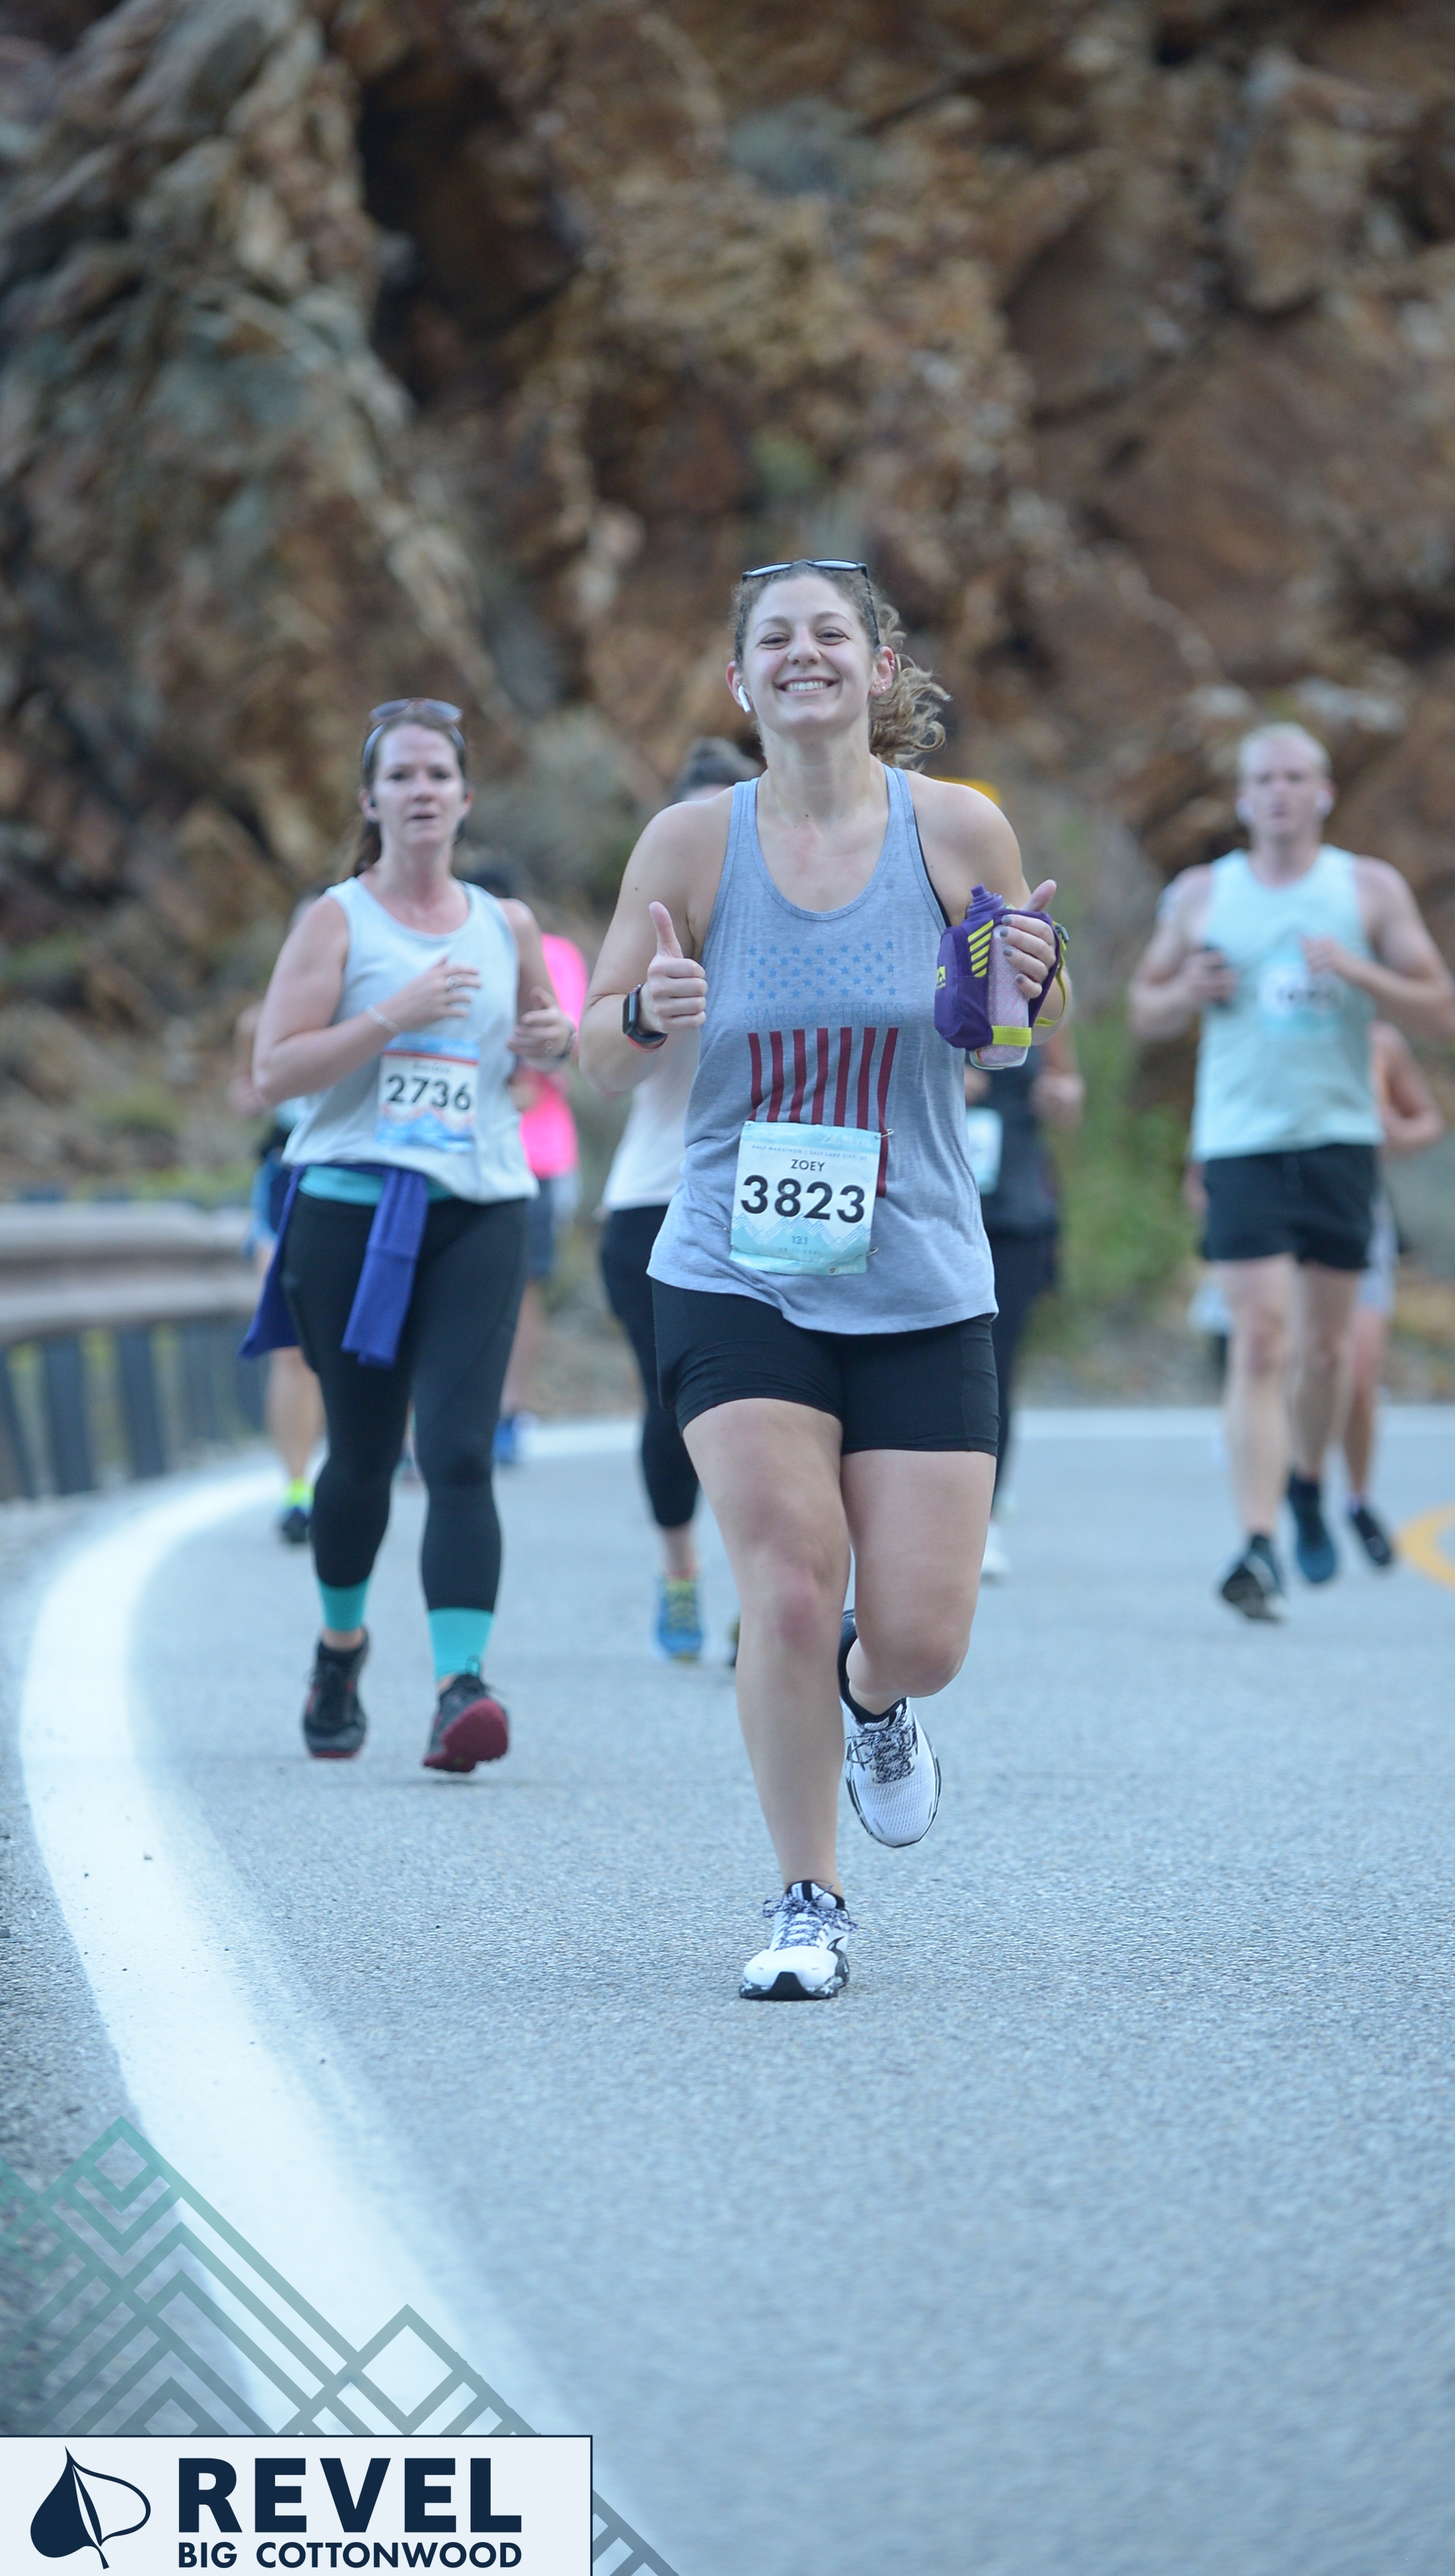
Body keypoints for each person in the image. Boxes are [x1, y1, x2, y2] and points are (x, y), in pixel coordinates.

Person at [580, 560, 1067, 2000]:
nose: (804, 655)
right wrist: (646, 1011)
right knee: (789, 1589)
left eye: (829, 634)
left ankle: (875, 1699)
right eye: (775, 639)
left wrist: (1022, 981)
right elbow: (597, 1056)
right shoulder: (690, 843)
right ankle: (808, 1898)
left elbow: (1004, 1040)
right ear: (741, 680)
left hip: (917, 1265)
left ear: (877, 665)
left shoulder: (954, 825)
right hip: (735, 1265)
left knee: (920, 1634)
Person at [243, 699, 575, 1766]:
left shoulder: (505, 923)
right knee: (362, 1457)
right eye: (401, 775)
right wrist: (396, 1012)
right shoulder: (336, 922)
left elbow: (539, 1049)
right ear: (371, 800)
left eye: (438, 774)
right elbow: (273, 1072)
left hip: (479, 1207)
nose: (421, 790)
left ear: (465, 798)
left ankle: (458, 1688)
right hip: (348, 1211)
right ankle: (340, 1650)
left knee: (458, 1452)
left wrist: (552, 1038)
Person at [1127, 721, 1455, 1621]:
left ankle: (1309, 1482)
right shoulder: (1202, 894)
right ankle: (1257, 1540)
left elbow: (1440, 1011)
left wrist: (1357, 971)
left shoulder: (1366, 888)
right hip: (1238, 1142)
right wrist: (1184, 992)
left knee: (1322, 1352)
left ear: (1322, 793)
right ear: (1242, 799)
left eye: (1294, 777)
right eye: (1263, 779)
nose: (1278, 792)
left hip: (1339, 1141)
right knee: (1259, 1341)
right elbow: (1143, 1008)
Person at [595, 736, 761, 1661]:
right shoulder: (650, 934)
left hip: (769, 1203)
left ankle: (764, 1590)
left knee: (774, 1410)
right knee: (676, 1408)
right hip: (652, 1204)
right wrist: (647, 1008)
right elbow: (598, 1062)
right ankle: (679, 1569)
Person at [966, 1025, 1083, 1581]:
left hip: (1012, 1210)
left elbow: (1068, 1088)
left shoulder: (1028, 985)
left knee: (994, 1366)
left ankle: (985, 1520)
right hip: (924, 1204)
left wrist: (1061, 1095)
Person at [229, 917, 325, 1541]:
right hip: (286, 1179)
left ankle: (386, 1454)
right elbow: (244, 1094)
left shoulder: (386, 1011)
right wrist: (260, 1091)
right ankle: (297, 1489)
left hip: (365, 1176)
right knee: (291, 1345)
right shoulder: (257, 1021)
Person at [1337, 1021, 1444, 1566]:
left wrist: (1398, 1134)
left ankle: (1358, 1499)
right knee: (1288, 1361)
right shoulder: (1266, 1022)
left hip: (1361, 1212)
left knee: (1358, 1375)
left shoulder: (1379, 1041)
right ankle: (1295, 1486)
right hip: (1285, 1212)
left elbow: (1428, 1119)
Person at [494, 914, 590, 1464]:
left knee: (523, 1284)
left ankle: (509, 1412)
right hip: (472, 1150)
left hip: (537, 1153)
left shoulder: (555, 953)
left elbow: (569, 1043)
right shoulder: (448, 939)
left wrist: (531, 1070)